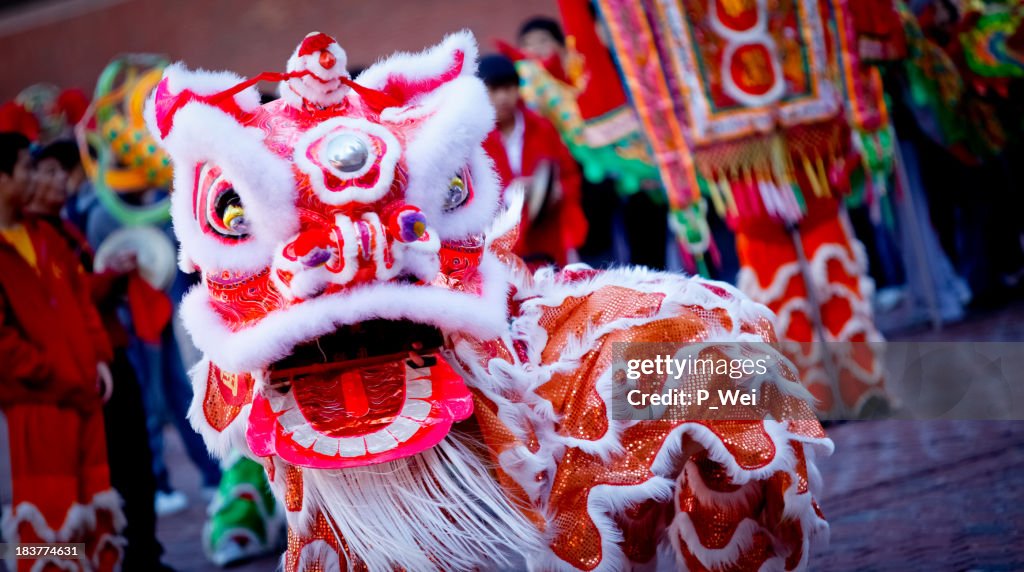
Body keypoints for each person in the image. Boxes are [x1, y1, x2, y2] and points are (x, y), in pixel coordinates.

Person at [31, 138, 172, 570]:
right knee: (51, 493)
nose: (59, 180)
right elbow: (58, 304)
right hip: (49, 385)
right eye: (43, 171)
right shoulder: (25, 239)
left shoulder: (59, 228)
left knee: (131, 468)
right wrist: (108, 278)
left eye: (60, 171)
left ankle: (140, 556)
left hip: (100, 362)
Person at [0, 132, 124, 570]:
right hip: (36, 406)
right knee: (48, 523)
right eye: (26, 169)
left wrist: (99, 359)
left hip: (82, 396)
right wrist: (56, 375)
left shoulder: (47, 236)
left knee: (93, 513)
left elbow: (82, 304)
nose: (34, 178)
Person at [479, 53, 587, 266]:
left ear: (518, 89)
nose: (503, 97)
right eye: (494, 90)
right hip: (498, 245)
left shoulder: (542, 127)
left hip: (548, 238)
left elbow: (570, 174)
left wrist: (557, 191)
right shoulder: (475, 140)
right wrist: (509, 194)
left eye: (509, 88)